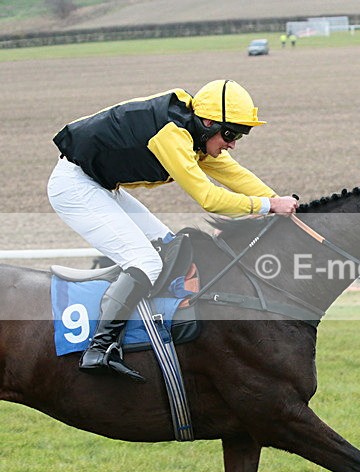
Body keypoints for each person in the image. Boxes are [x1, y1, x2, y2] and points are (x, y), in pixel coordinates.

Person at [49, 79, 298, 382]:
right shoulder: (173, 136)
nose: (232, 143)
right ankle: (100, 349)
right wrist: (269, 206)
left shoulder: (198, 136)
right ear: (208, 122)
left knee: (172, 246)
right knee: (145, 261)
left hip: (101, 186)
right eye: (230, 133)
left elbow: (237, 176)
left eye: (239, 136)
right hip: (74, 187)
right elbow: (209, 199)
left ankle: (151, 330)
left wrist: (283, 205)